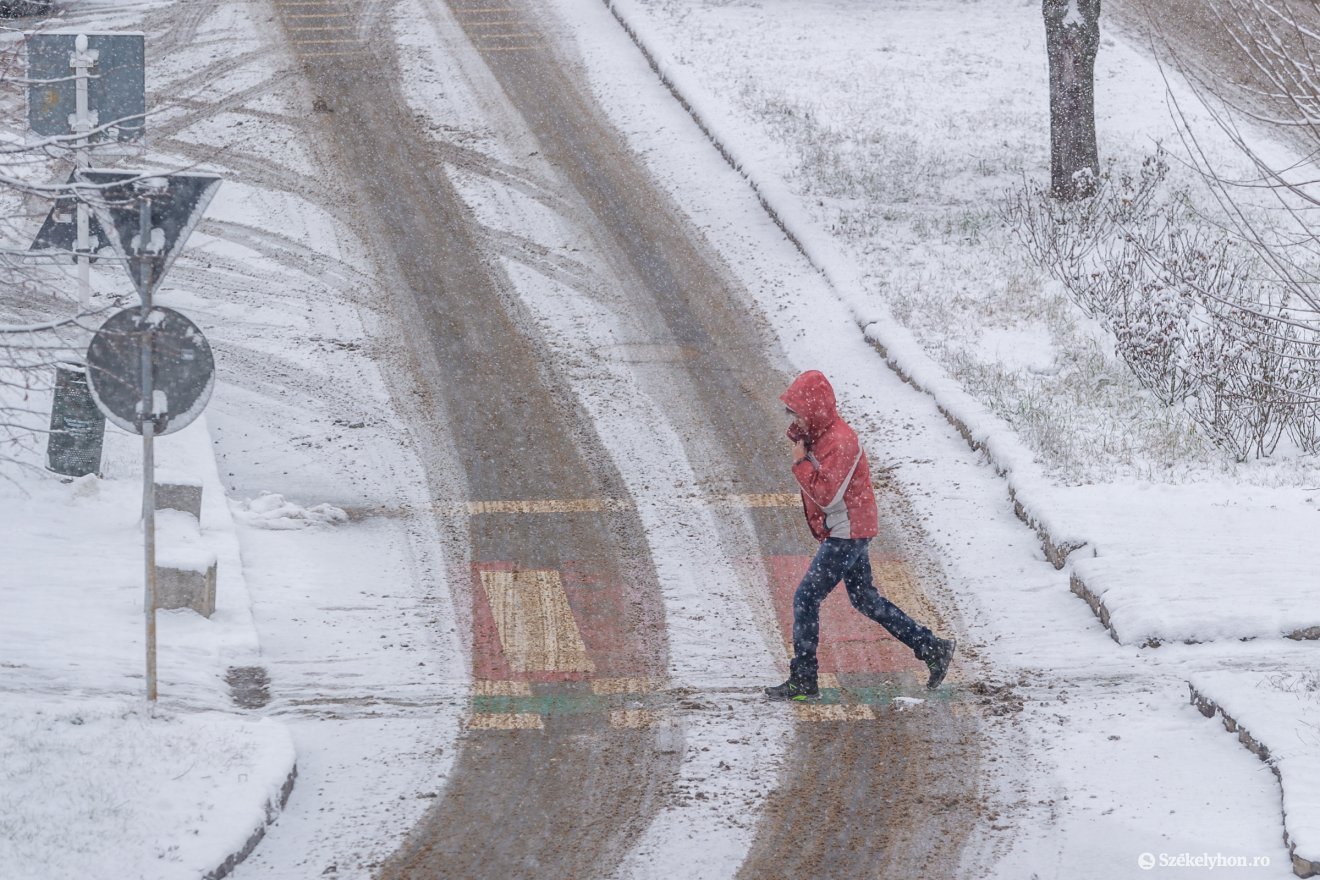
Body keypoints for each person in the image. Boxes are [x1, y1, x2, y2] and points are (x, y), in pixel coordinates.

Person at [766, 369, 956, 701]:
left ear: (815, 410)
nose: (795, 419)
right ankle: (932, 648)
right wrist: (801, 442)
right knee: (866, 599)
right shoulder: (822, 436)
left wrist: (800, 464)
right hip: (848, 529)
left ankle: (804, 679)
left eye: (799, 412)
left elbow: (827, 494)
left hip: (848, 533)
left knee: (806, 597)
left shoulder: (841, 442)